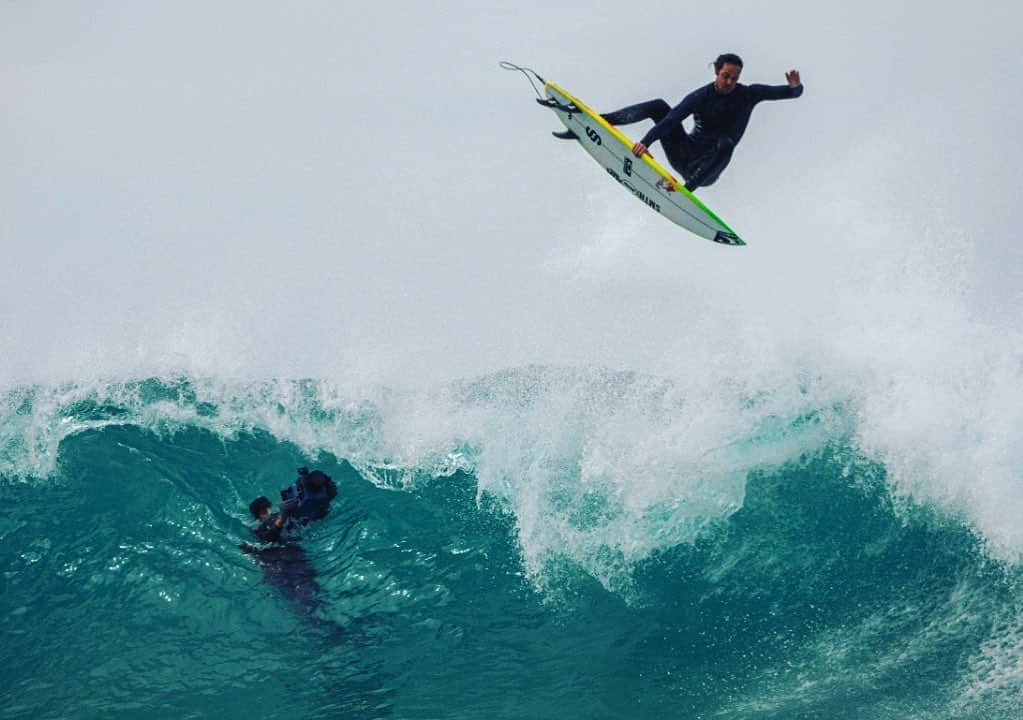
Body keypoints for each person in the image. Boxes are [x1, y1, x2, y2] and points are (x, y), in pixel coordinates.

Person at [554, 53, 803, 191]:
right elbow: (672, 119)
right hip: (683, 155)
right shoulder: (701, 96)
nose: (730, 82)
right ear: (716, 72)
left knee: (726, 143)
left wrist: (795, 87)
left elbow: (791, 94)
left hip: (706, 170)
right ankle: (598, 121)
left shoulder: (749, 94)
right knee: (659, 106)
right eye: (726, 76)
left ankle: (686, 191)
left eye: (735, 78)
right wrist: (646, 142)